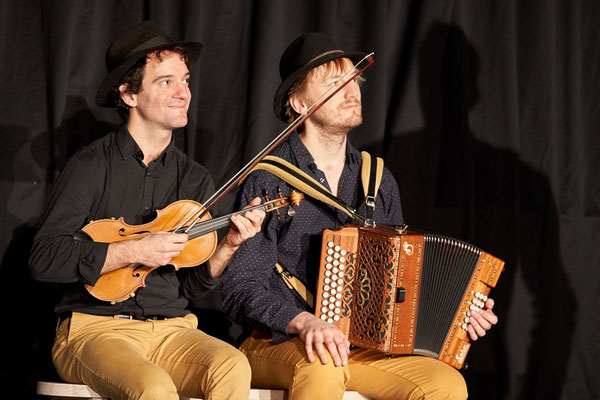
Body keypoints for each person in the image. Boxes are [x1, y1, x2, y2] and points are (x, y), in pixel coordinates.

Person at [222, 32, 498, 399]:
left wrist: (459, 311)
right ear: (300, 102)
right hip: (274, 343)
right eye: (335, 84)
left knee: (445, 384)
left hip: (358, 348)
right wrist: (304, 322)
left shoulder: (377, 178)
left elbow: (401, 279)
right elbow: (241, 290)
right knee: (322, 369)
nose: (352, 92)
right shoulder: (269, 178)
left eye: (354, 81)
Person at [29, 21, 265, 400]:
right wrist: (135, 250)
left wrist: (229, 246)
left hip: (173, 329)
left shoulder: (195, 178)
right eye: (166, 82)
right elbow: (44, 258)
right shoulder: (90, 166)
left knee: (232, 365)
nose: (182, 93)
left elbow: (191, 285)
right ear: (129, 94)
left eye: (185, 80)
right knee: (152, 388)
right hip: (94, 329)